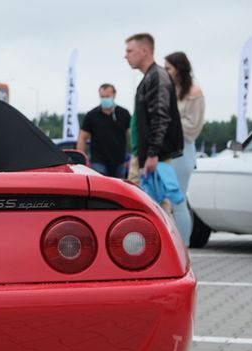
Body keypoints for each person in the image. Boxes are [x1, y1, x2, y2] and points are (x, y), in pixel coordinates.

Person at [124, 33, 183, 185]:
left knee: (156, 203)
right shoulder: (149, 77)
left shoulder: (157, 76)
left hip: (155, 157)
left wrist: (153, 154)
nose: (125, 56)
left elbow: (160, 117)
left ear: (144, 51)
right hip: (144, 154)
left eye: (130, 51)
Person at [165, 51, 205, 246]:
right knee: (164, 201)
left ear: (179, 69)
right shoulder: (169, 91)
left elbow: (194, 127)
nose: (165, 71)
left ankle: (184, 245)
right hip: (167, 149)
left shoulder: (194, 93)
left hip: (183, 149)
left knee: (178, 200)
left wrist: (169, 122)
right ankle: (172, 243)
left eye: (168, 68)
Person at [77, 84, 131, 178]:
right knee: (102, 185)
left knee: (118, 188)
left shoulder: (123, 113)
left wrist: (135, 152)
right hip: (98, 160)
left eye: (107, 96)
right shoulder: (92, 115)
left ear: (114, 95)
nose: (105, 99)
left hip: (119, 160)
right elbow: (82, 136)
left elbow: (131, 134)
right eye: (102, 97)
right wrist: (80, 159)